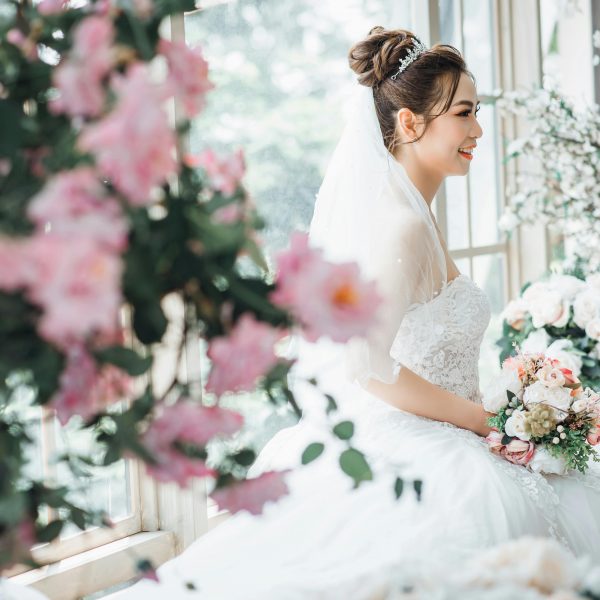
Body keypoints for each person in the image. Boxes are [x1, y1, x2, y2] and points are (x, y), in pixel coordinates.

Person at [117, 27, 600, 600]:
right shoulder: (398, 226)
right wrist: (480, 420)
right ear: (410, 124)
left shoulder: (415, 211)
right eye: (464, 114)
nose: (477, 130)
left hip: (451, 422)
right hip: (430, 441)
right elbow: (366, 366)